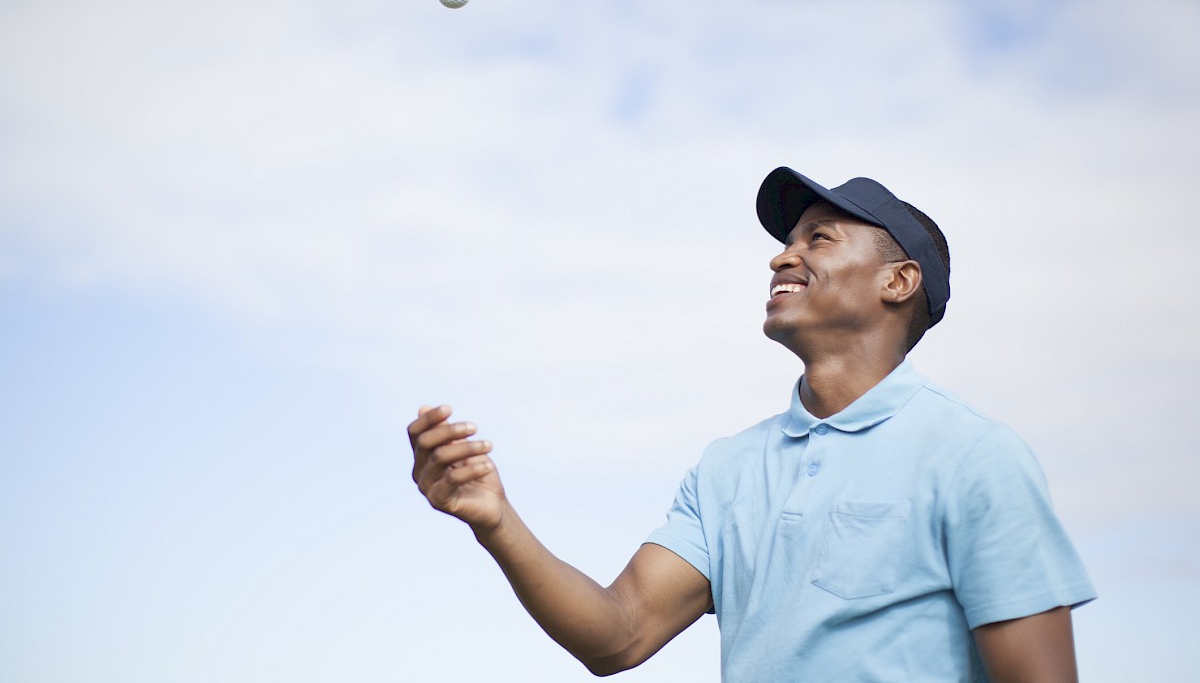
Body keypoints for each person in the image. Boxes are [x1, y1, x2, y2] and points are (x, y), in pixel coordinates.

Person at [408, 167, 1096, 681]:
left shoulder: (974, 457)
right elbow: (618, 635)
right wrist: (495, 520)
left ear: (898, 282)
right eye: (787, 241)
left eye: (818, 239)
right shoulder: (727, 469)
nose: (781, 257)